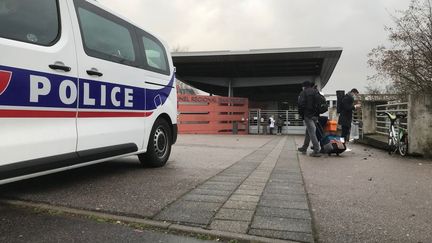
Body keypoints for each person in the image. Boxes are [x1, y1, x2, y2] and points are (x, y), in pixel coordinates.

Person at [297, 81, 321, 157]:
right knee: (309, 131)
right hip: (315, 115)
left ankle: (316, 150)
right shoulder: (316, 91)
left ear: (304, 86)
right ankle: (304, 147)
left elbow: (301, 104)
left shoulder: (303, 93)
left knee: (311, 132)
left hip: (308, 115)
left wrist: (302, 115)